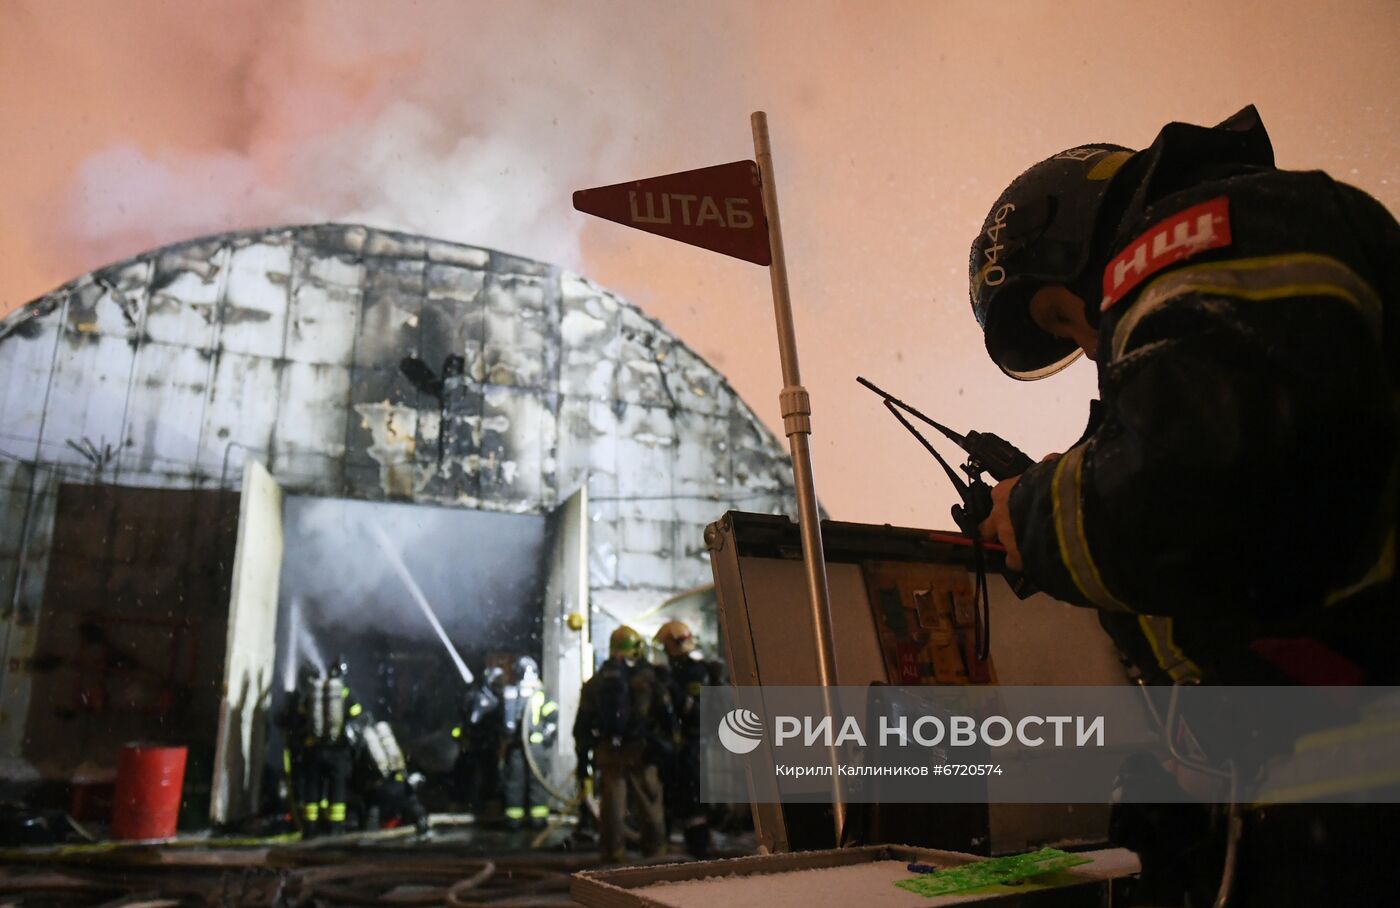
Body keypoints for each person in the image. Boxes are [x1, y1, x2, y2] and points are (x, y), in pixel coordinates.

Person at [967, 105, 1398, 904]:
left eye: (1065, 314)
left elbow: (1187, 495)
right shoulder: (1281, 227)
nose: (1092, 342)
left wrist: (1038, 511)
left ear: (1076, 233)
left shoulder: (1210, 230)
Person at [574, 625, 675, 863]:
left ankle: (612, 857)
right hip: (641, 750)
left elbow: (582, 725)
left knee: (612, 807)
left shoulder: (596, 682)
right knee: (649, 803)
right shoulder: (647, 678)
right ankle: (655, 856)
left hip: (609, 751)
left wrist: (583, 761)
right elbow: (666, 714)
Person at [653, 620, 723, 858]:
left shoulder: (695, 671)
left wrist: (672, 687)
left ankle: (700, 847)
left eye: (665, 647)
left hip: (694, 744)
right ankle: (690, 844)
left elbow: (695, 712)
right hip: (682, 745)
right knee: (680, 796)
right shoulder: (679, 670)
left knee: (693, 797)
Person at [500, 655, 559, 829]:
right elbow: (506, 720)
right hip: (519, 746)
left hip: (533, 747)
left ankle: (535, 818)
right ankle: (516, 818)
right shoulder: (513, 692)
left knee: (535, 781)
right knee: (516, 782)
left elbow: (553, 717)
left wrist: (548, 734)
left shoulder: (540, 693)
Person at [452, 665, 504, 818]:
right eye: (497, 682)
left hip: (488, 745)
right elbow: (473, 722)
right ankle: (468, 805)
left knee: (489, 776)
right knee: (474, 776)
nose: (499, 686)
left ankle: (484, 805)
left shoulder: (494, 698)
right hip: (478, 746)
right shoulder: (483, 699)